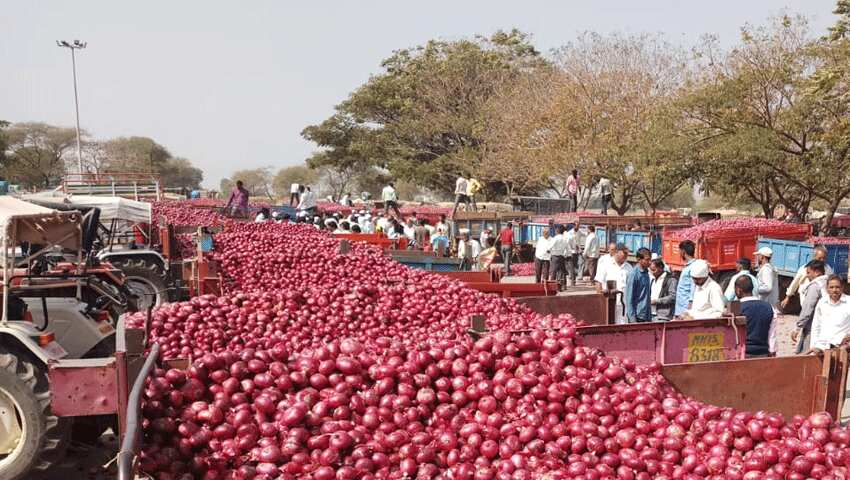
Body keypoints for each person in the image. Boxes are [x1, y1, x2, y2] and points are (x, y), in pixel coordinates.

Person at [793, 260, 829, 354]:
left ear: (817, 272)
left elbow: (807, 309)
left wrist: (797, 328)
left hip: (813, 326)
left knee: (807, 355)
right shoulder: (829, 283)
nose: (807, 275)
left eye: (809, 272)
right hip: (827, 326)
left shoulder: (815, 286)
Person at [734, 275, 774, 358]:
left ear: (738, 290)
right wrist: (772, 351)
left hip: (741, 354)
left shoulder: (736, 307)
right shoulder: (768, 307)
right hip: (763, 354)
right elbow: (772, 334)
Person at [783, 245, 833, 309]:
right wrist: (787, 297)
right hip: (806, 298)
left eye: (824, 258)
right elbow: (795, 283)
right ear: (814, 257)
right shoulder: (805, 268)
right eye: (819, 258)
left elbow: (832, 281)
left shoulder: (828, 268)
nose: (822, 260)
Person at [809, 275, 850, 353]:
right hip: (822, 347)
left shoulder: (848, 302)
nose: (834, 290)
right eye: (831, 287)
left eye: (837, 287)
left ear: (842, 288)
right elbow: (816, 325)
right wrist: (813, 346)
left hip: (842, 347)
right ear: (827, 288)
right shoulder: (822, 302)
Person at [596, 244, 634, 324]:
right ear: (616, 252)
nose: (626, 256)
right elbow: (599, 282)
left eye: (627, 254)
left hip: (624, 304)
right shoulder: (606, 264)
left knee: (622, 325)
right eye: (624, 253)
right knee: (608, 324)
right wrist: (600, 299)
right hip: (609, 302)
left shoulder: (629, 267)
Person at [624, 248, 652, 323]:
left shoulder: (646, 273)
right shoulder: (634, 275)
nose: (650, 262)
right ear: (639, 260)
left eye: (650, 259)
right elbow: (629, 298)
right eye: (647, 259)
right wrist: (633, 320)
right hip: (637, 316)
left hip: (646, 315)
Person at [674, 240, 697, 317]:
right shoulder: (688, 266)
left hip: (685, 308)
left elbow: (693, 286)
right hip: (680, 307)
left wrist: (690, 304)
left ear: (683, 252)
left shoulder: (693, 267)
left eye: (680, 251)